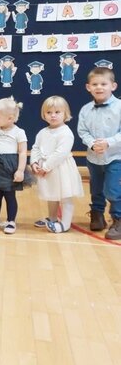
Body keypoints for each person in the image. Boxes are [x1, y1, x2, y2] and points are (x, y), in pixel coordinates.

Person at [77, 66, 121, 240]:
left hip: (115, 157)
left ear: (113, 86)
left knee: (112, 189)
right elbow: (83, 131)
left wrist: (108, 142)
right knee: (96, 188)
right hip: (94, 157)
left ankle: (118, 218)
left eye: (104, 84)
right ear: (88, 87)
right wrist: (92, 143)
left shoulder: (119, 107)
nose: (99, 87)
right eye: (95, 84)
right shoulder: (85, 110)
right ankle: (97, 215)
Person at [30, 96, 84, 233]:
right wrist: (34, 162)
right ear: (44, 114)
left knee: (66, 195)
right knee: (52, 194)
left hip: (61, 169)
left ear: (65, 114)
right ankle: (52, 218)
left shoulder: (66, 133)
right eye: (49, 112)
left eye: (57, 112)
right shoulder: (43, 132)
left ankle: (65, 224)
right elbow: (36, 147)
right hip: (47, 169)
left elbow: (60, 153)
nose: (53, 115)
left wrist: (46, 167)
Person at [0, 97, 33, 235]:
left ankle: (11, 220)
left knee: (10, 195)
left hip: (10, 167)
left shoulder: (19, 132)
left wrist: (20, 170)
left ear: (10, 118)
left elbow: (22, 152)